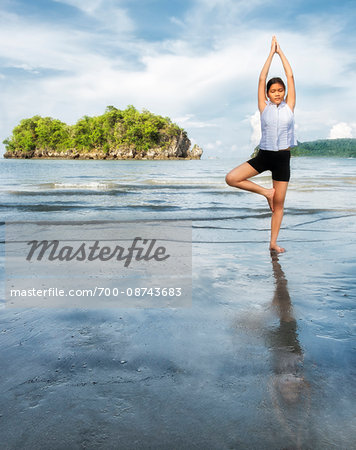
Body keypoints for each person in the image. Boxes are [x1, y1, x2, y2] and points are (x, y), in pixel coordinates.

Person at [225, 36, 296, 253]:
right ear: (267, 94)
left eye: (280, 91)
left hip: (282, 158)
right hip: (264, 155)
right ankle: (266, 193)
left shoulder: (289, 106)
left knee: (279, 205)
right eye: (273, 91)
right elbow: (261, 77)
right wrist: (270, 53)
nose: (277, 93)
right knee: (232, 178)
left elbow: (290, 75)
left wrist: (280, 52)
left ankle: (273, 243)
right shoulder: (263, 107)